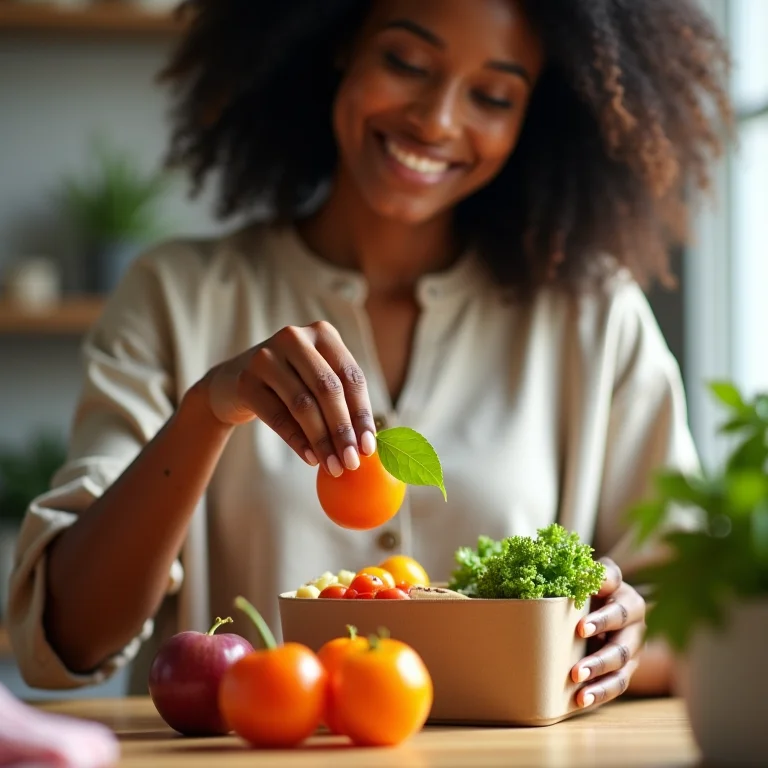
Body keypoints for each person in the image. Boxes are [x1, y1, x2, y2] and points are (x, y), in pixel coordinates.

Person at [8, 0, 731, 708]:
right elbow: (66, 641)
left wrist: (623, 639)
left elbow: (701, 621)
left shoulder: (592, 315)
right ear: (339, 44)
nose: (437, 120)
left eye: (492, 96)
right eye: (406, 61)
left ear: (536, 119)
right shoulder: (176, 296)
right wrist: (207, 411)